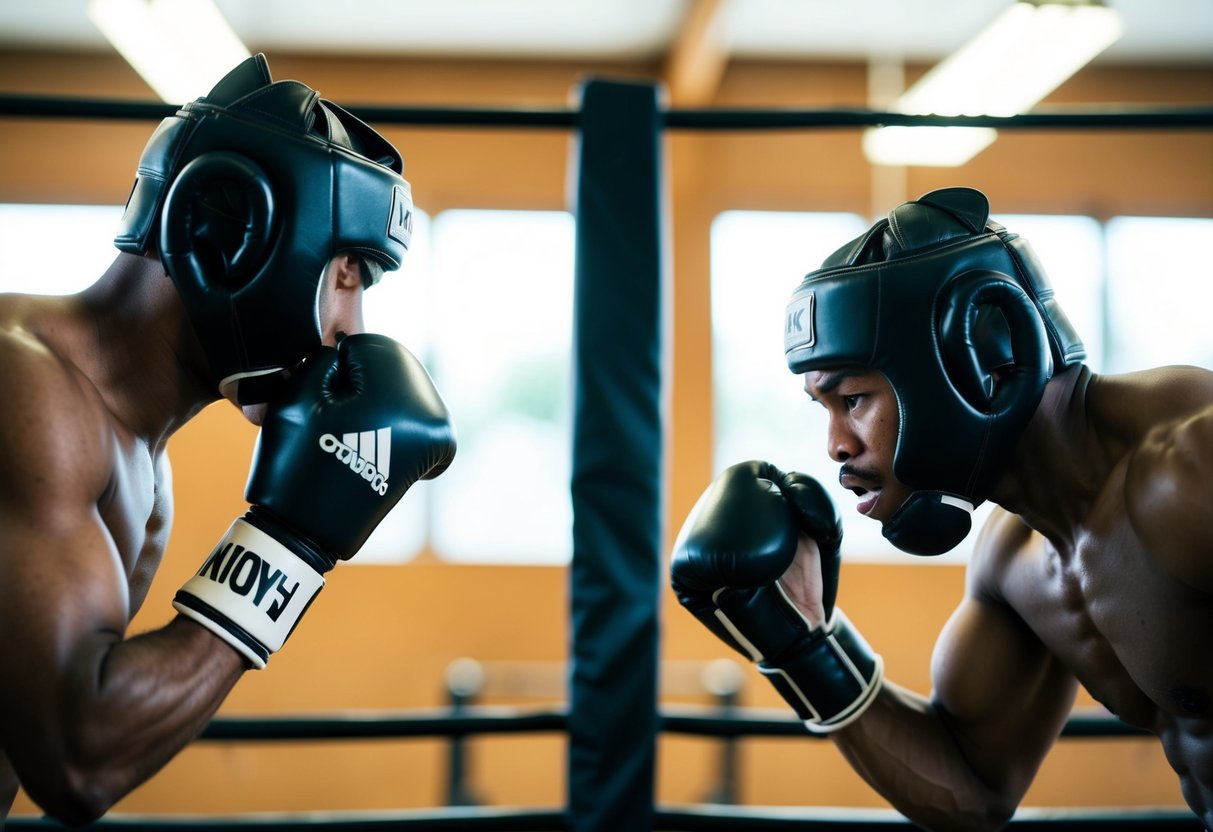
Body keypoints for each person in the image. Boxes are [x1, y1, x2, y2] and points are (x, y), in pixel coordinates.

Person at [0, 54, 456, 826]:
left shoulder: (145, 467)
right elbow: (79, 758)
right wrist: (290, 541)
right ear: (235, 230)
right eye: (347, 274)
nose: (353, 332)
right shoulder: (24, 387)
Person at [671, 187, 1213, 829]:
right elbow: (972, 790)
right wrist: (804, 644)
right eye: (825, 410)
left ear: (976, 359)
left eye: (853, 399)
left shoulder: (1189, 468)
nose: (836, 446)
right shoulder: (1015, 558)